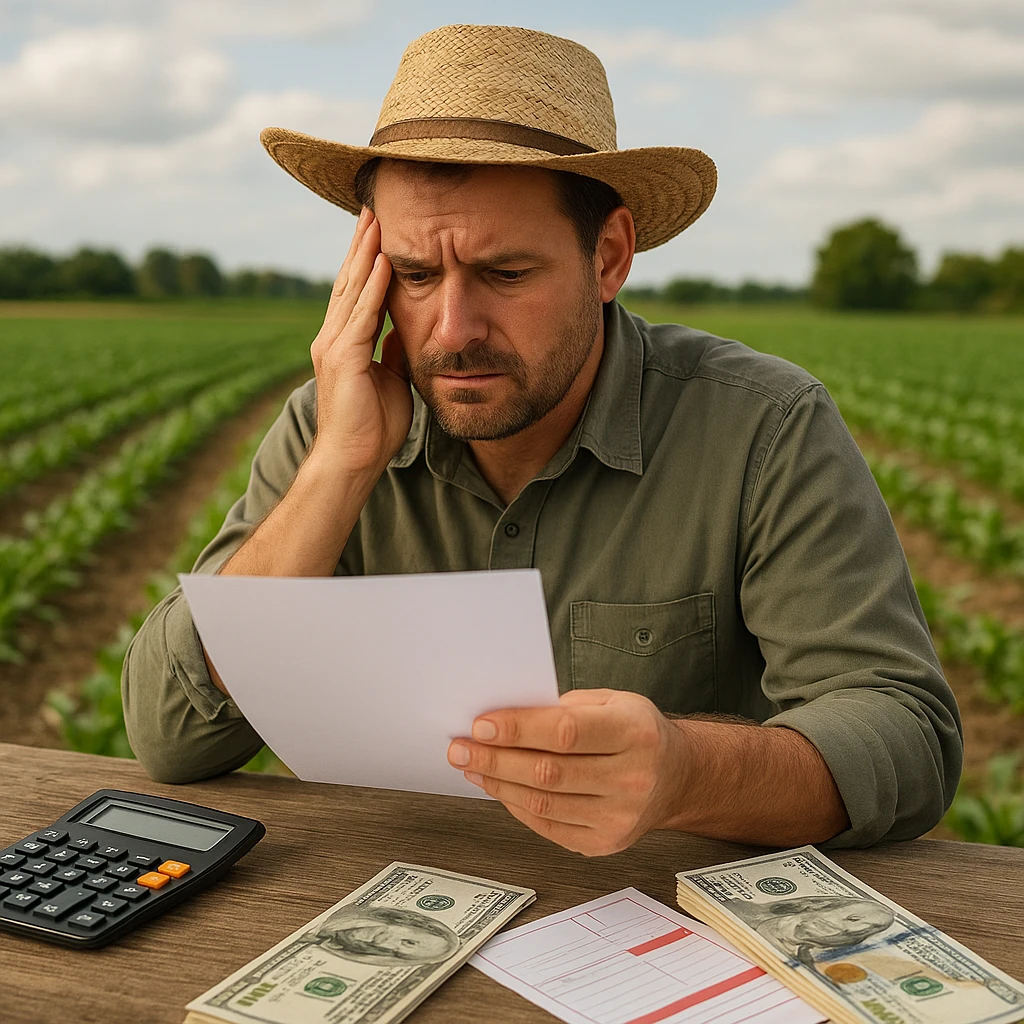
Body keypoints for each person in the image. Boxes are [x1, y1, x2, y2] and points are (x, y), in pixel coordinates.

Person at [122, 24, 962, 856]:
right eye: (414, 275)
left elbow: (906, 734)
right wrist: (337, 470)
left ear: (608, 256)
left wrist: (684, 771)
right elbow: (171, 735)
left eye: (506, 274)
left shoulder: (762, 427)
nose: (453, 329)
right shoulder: (330, 428)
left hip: (655, 932)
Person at [305, 905, 461, 966]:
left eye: (396, 952)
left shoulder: (324, 937)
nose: (387, 944)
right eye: (409, 942)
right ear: (414, 924)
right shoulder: (351, 911)